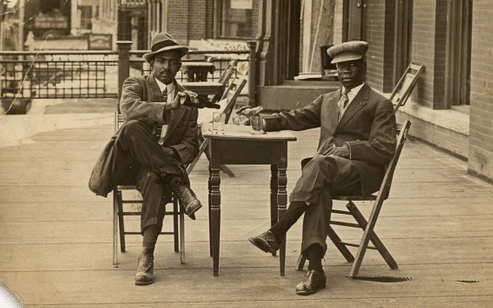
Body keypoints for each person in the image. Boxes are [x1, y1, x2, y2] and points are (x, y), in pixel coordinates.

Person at [247, 41, 397, 295]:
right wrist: (263, 121)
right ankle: (316, 269)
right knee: (318, 189)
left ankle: (279, 230)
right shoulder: (328, 100)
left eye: (351, 65)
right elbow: (297, 117)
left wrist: (348, 149)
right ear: (334, 71)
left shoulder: (378, 104)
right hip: (326, 173)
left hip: (361, 173)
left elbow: (384, 148)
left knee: (317, 165)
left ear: (364, 66)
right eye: (340, 67)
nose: (346, 71)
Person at [89, 32, 202, 285]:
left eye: (173, 62)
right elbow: (128, 109)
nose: (167, 67)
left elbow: (192, 145)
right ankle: (178, 184)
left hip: (153, 171)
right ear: (152, 63)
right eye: (161, 61)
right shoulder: (136, 83)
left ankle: (147, 255)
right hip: (127, 164)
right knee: (130, 128)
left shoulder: (187, 98)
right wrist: (167, 108)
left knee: (154, 176)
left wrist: (170, 153)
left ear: (179, 66)